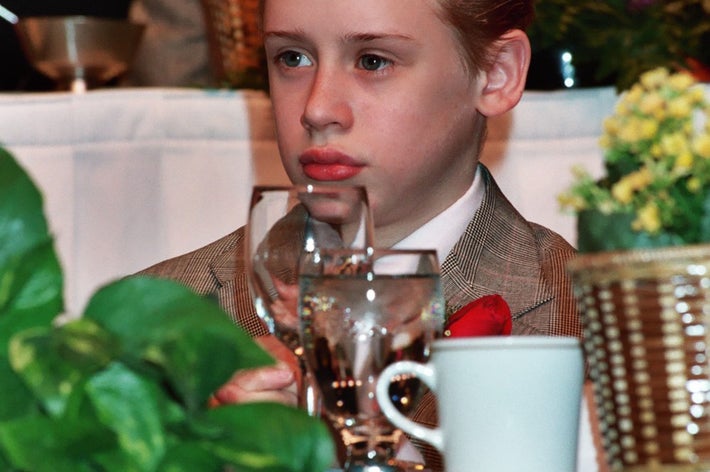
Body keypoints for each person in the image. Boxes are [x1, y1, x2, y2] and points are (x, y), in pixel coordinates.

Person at [139, 0, 583, 469]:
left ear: (496, 73)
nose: (317, 109)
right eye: (292, 58)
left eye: (373, 61)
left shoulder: (595, 325)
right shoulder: (156, 316)